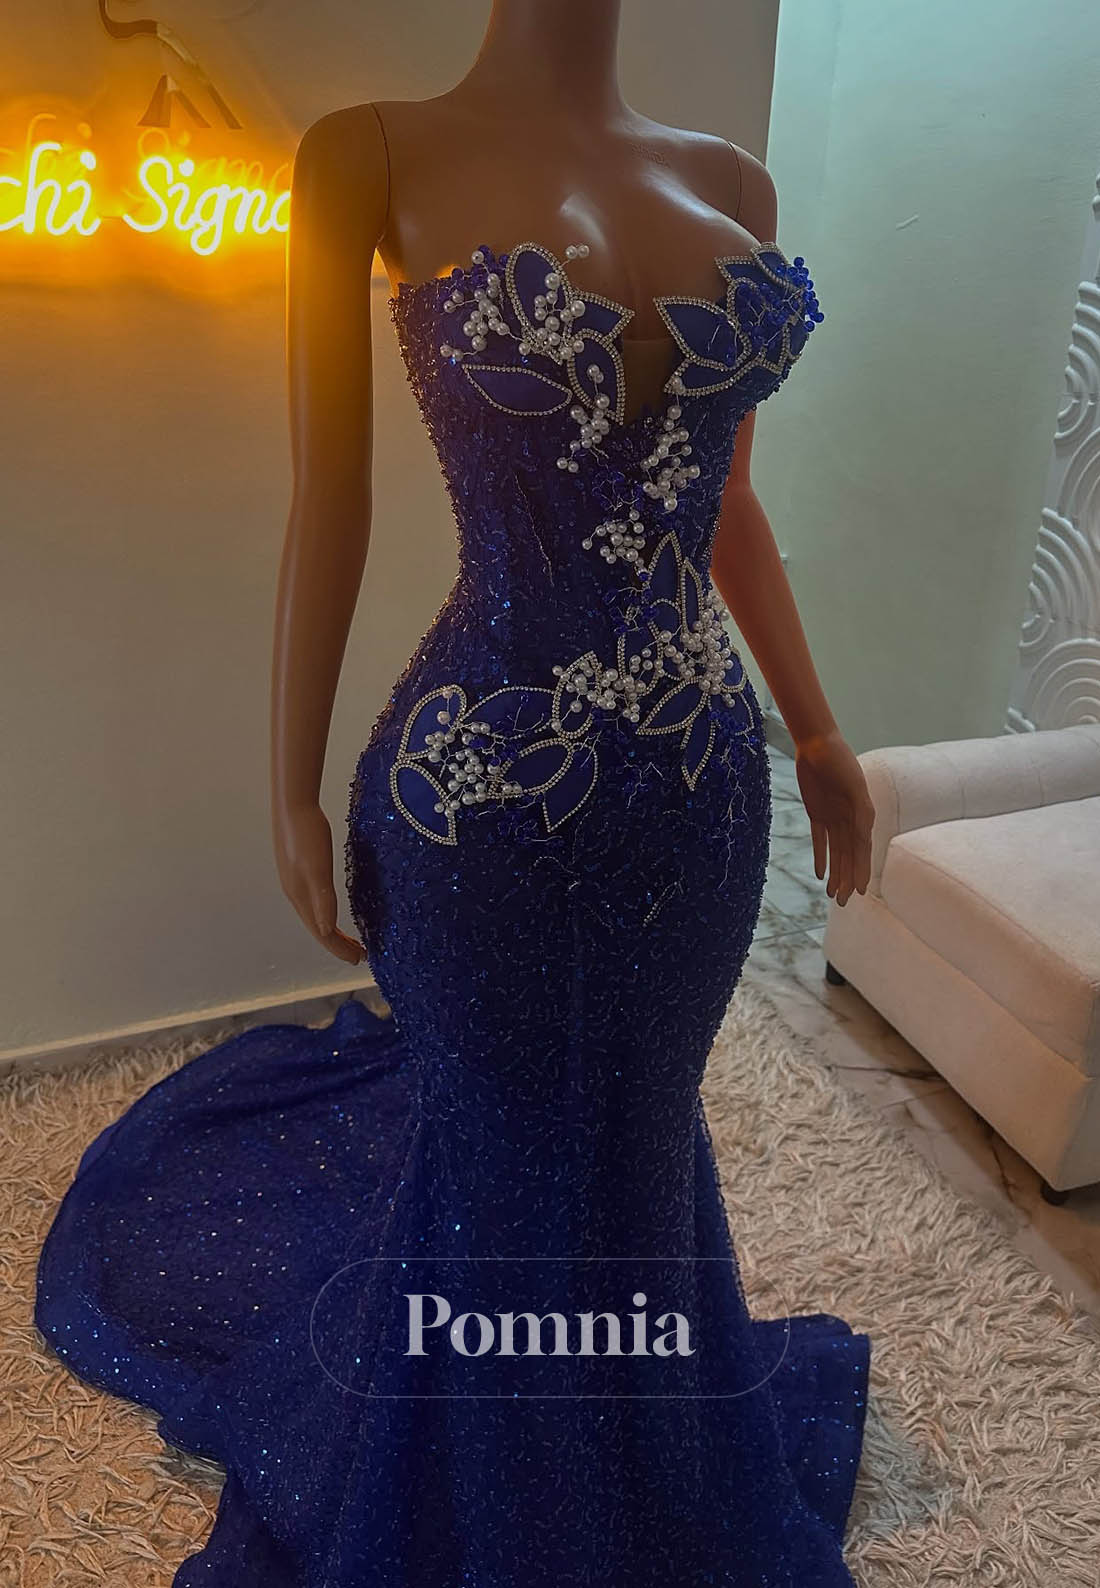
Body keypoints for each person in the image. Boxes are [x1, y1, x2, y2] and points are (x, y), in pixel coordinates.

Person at [36, 3, 877, 1582]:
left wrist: (821, 734)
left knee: (640, 1135)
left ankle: (646, 1454)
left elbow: (729, 509)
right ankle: (491, 1502)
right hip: (475, 794)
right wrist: (291, 787)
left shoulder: (736, 186)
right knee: (502, 1148)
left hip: (699, 790)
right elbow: (331, 493)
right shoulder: (367, 155)